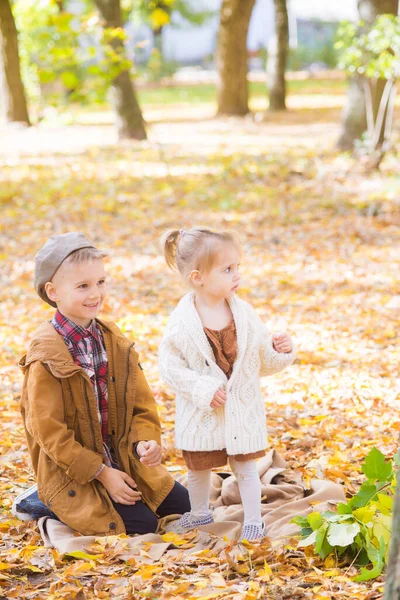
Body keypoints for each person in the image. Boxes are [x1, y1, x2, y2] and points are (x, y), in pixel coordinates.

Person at [13, 232, 190, 535]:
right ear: (53, 291)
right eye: (83, 286)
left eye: (100, 282)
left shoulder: (113, 340)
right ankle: (45, 498)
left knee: (182, 504)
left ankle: (109, 484)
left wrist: (145, 441)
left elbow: (141, 404)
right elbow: (48, 432)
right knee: (140, 526)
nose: (95, 293)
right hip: (76, 470)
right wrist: (102, 473)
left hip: (120, 457)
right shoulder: (45, 356)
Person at [158, 227, 295, 542]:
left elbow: (262, 360)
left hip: (241, 409)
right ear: (198, 277)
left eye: (238, 267)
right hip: (202, 412)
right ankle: (199, 513)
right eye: (227, 269)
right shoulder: (182, 322)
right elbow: (170, 368)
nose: (237, 275)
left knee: (246, 467)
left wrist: (278, 349)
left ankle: (253, 520)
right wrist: (203, 389)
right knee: (199, 469)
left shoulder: (243, 314)